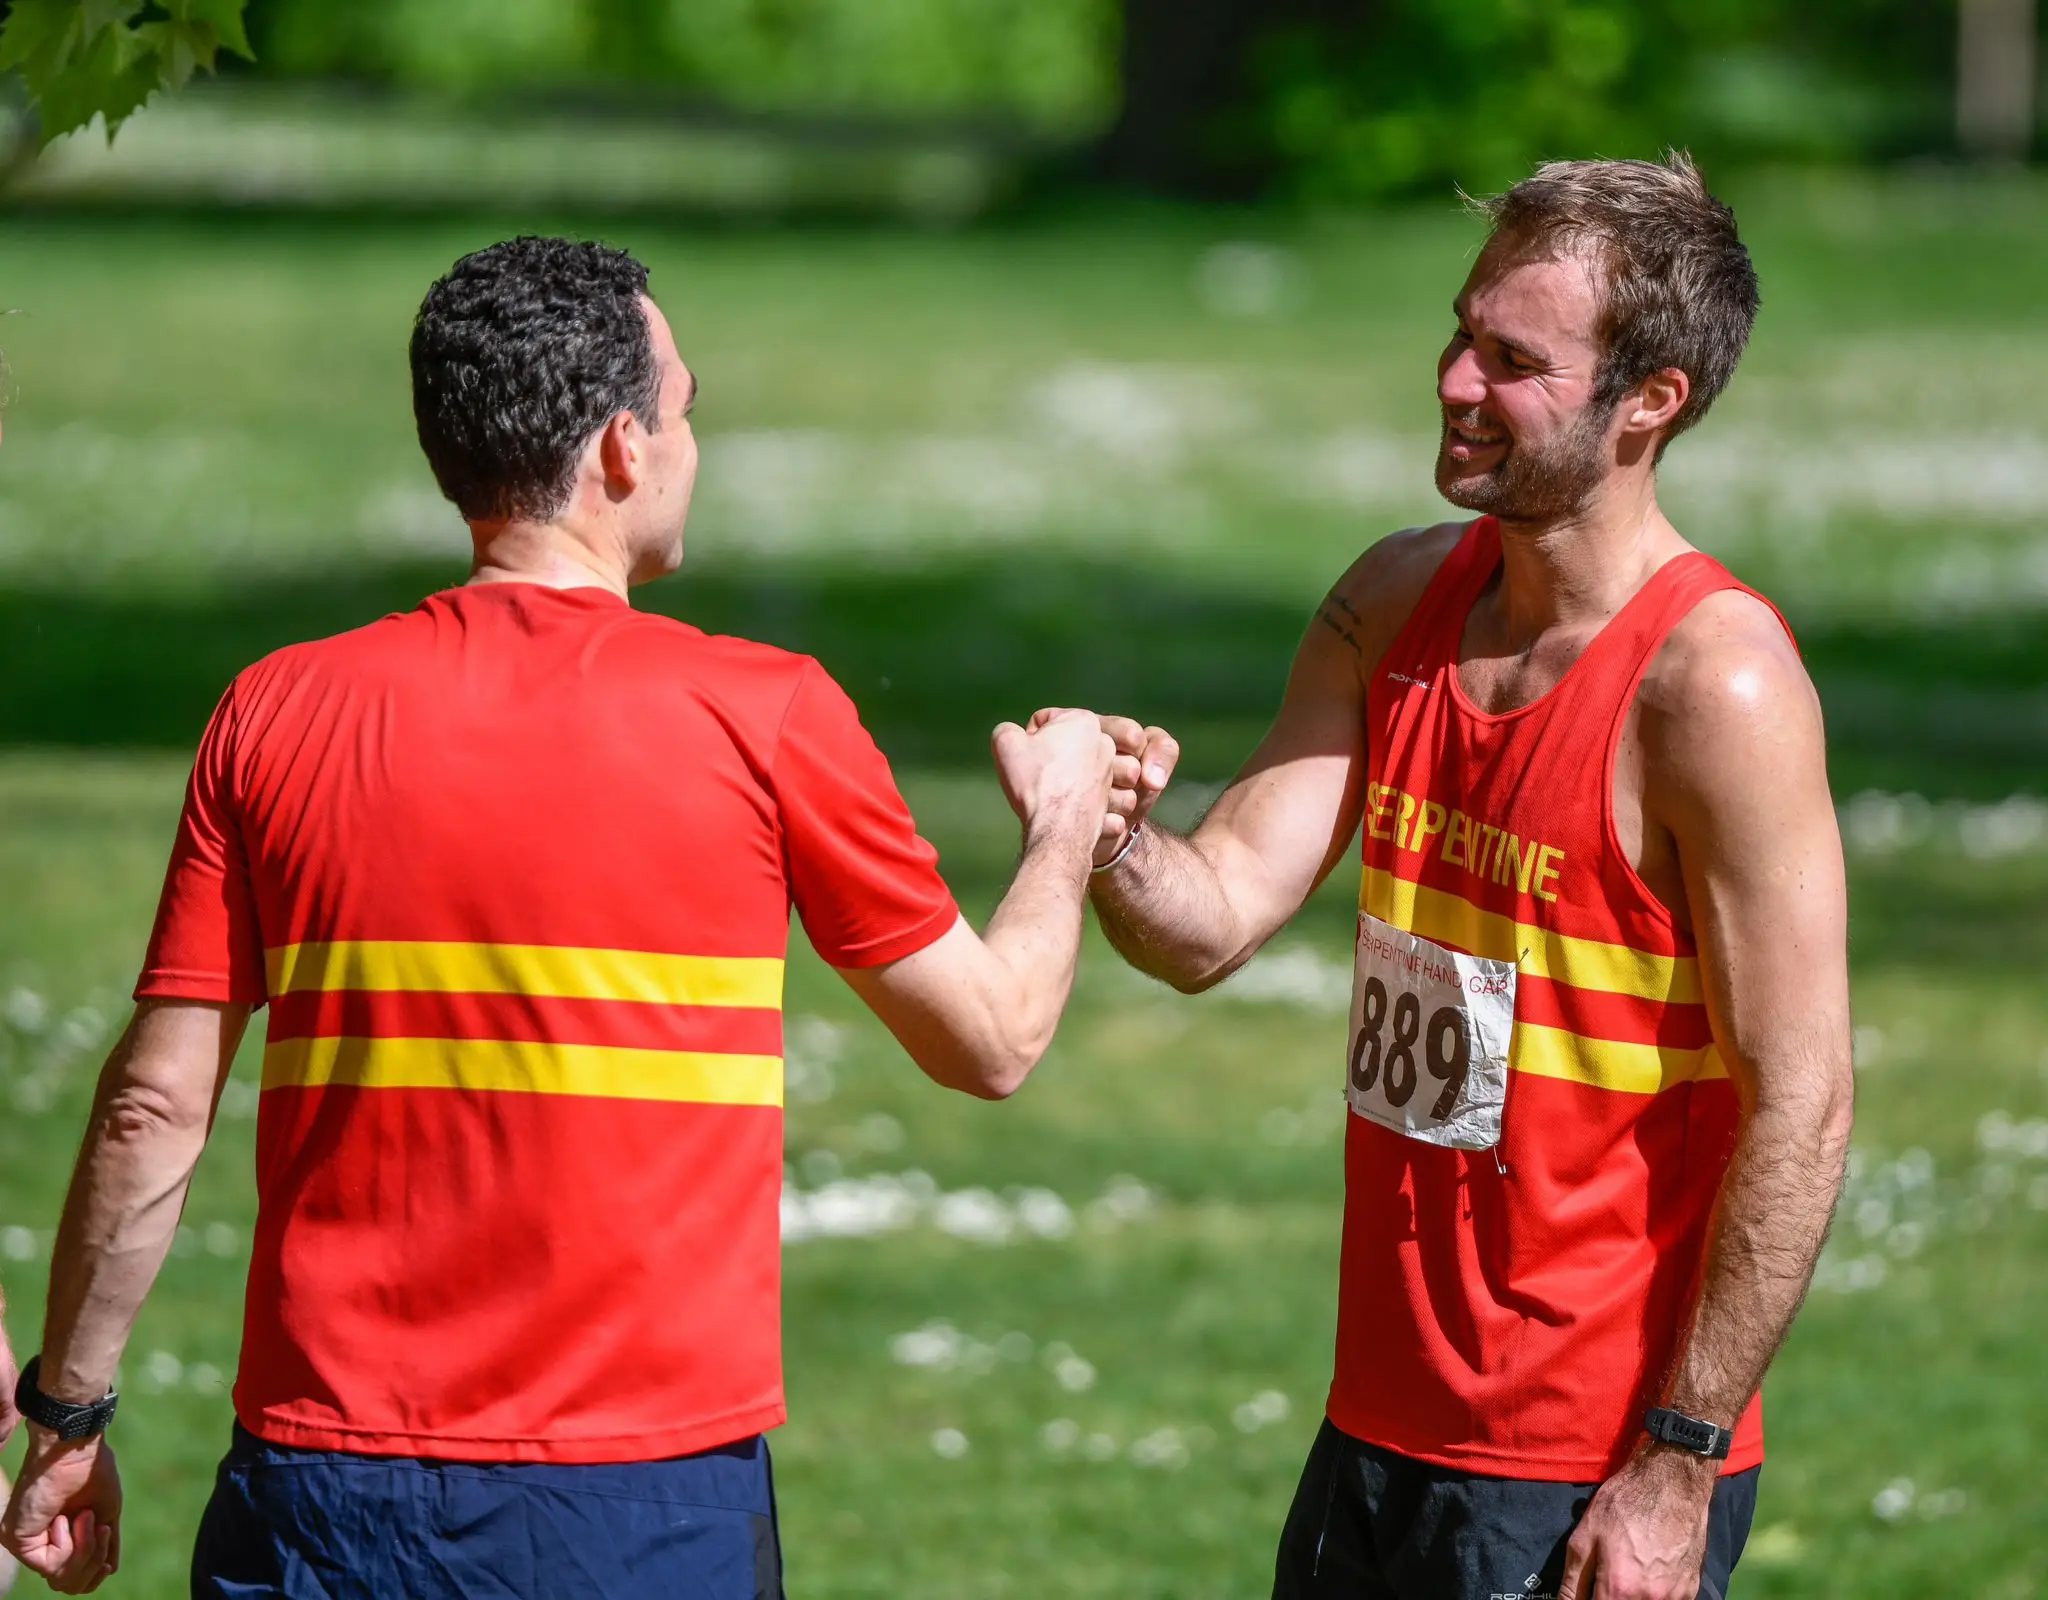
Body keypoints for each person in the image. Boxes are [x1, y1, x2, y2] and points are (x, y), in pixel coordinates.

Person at [0, 236, 1121, 1599]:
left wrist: (68, 1415)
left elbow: (151, 1109)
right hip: (638, 1506)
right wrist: (1065, 827)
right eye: (688, 408)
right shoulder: (766, 712)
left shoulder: (274, 709)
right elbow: (991, 1039)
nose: (694, 442)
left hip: (320, 1494)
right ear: (622, 449)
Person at [1071, 154, 1854, 1600]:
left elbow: (1802, 1107)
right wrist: (1110, 832)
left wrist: (1676, 1466)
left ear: (1652, 401)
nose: (1452, 382)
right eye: (1458, 333)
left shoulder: (1716, 688)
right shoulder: (1390, 602)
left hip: (1586, 1466)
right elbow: (1212, 919)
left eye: (1512, 361)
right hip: (1377, 1427)